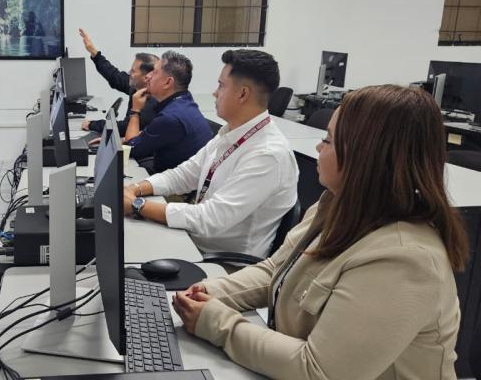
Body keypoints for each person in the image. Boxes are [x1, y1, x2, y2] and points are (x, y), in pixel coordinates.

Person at [173, 85, 469, 379]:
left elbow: (321, 370)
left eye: (328, 140)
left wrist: (218, 323)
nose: (318, 147)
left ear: (366, 157)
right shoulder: (337, 205)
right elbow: (275, 271)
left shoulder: (404, 258)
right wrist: (209, 293)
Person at [123, 49, 297, 255]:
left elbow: (210, 219)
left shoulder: (268, 155)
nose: (215, 92)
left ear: (243, 93)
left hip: (221, 265)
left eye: (221, 85)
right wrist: (135, 188)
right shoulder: (230, 133)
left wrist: (137, 205)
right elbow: (184, 175)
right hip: (193, 241)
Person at [123, 50, 213, 174]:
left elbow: (130, 148)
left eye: (154, 72)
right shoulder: (185, 100)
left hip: (174, 189)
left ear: (168, 82)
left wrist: (135, 111)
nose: (147, 77)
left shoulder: (170, 118)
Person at [78, 28, 159, 136]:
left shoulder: (151, 103)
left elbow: (125, 128)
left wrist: (92, 125)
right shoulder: (138, 86)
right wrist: (93, 52)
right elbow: (114, 76)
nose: (129, 73)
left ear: (146, 77)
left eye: (133, 71)